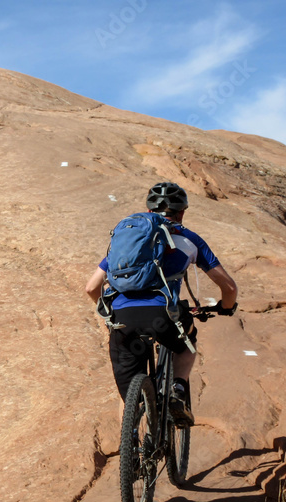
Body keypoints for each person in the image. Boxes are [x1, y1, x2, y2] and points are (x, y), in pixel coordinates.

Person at [85, 182, 238, 425]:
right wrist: (226, 307)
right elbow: (228, 288)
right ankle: (177, 389)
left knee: (128, 397)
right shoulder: (188, 239)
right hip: (163, 316)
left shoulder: (128, 241)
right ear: (181, 212)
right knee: (187, 343)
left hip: (123, 320)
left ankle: (131, 453)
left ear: (148, 209)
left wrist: (111, 316)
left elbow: (92, 287)